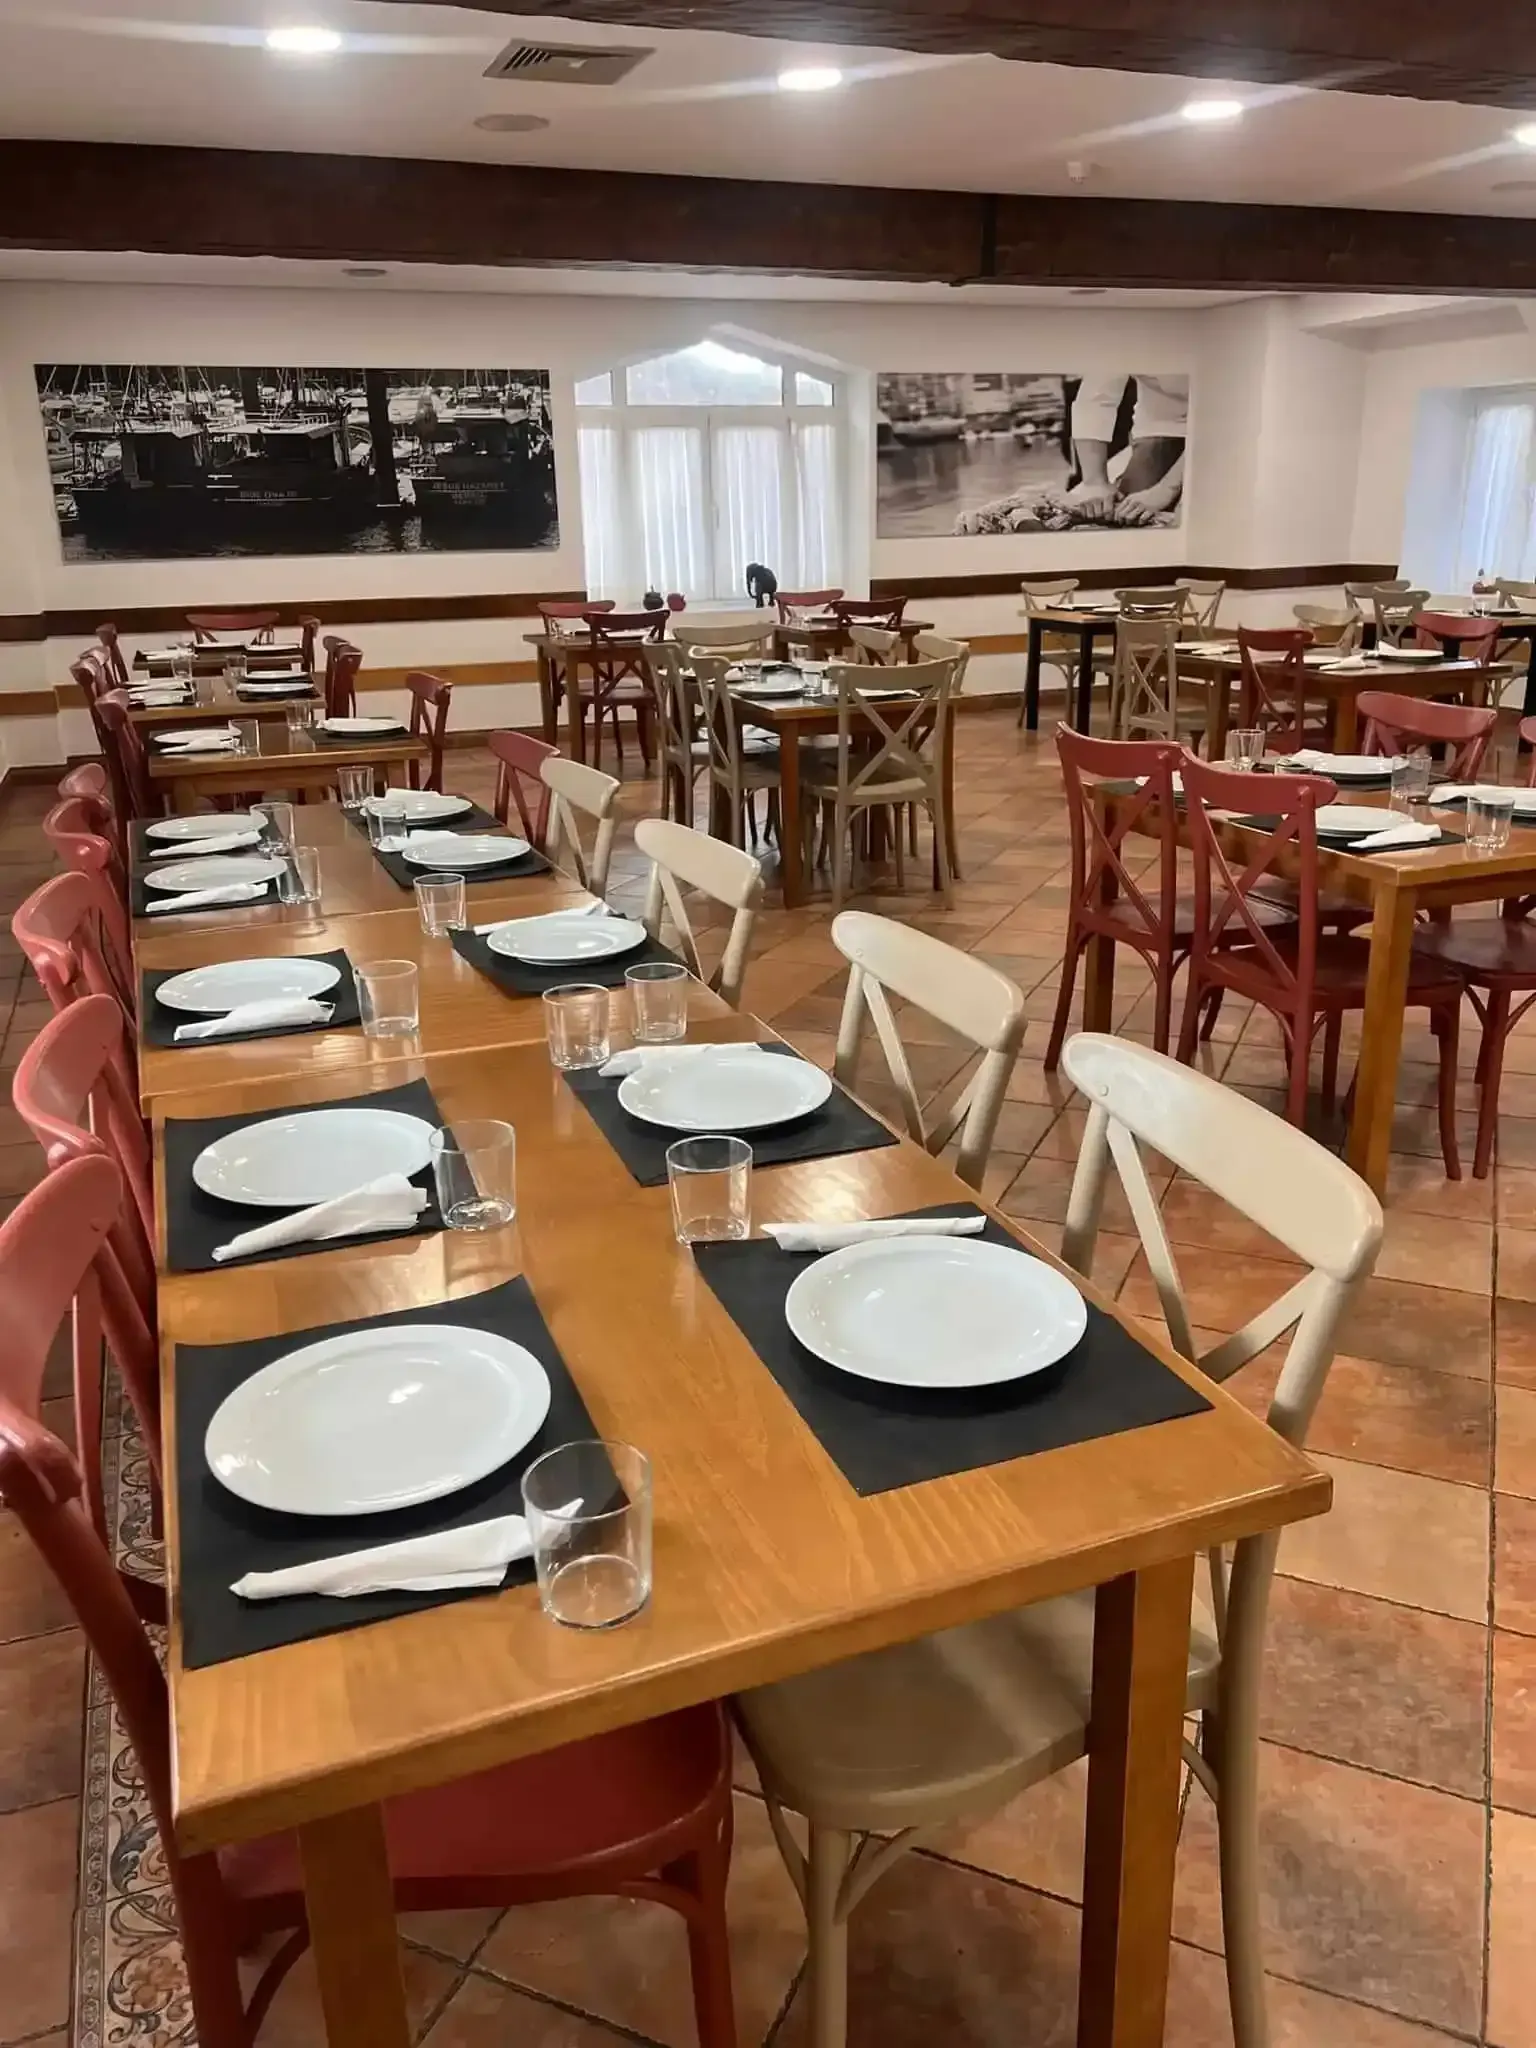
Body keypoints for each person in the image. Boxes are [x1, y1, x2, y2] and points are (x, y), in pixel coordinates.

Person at [1064, 373, 1187, 525]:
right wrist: (1094, 482)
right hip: (1164, 424)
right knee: (1128, 516)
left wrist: (1166, 489)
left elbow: (1218, 420)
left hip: (1221, 426)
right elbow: (1096, 398)